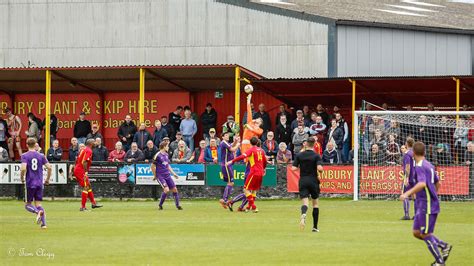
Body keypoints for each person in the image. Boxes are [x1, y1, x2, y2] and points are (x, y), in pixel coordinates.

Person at [399, 142, 452, 265]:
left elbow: (422, 184)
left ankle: (439, 262)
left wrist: (406, 194)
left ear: (413, 153)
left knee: (426, 234)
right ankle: (444, 246)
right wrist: (433, 195)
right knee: (416, 232)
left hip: (427, 205)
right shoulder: (429, 165)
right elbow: (438, 183)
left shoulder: (420, 166)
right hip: (423, 204)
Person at [226, 137, 267, 212]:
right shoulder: (262, 151)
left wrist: (232, 161)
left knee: (246, 190)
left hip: (253, 173)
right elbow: (265, 161)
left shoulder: (251, 150)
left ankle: (252, 207)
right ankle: (247, 207)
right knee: (253, 190)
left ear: (250, 143)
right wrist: (264, 169)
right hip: (260, 173)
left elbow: (242, 156)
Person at [292, 137, 323, 232]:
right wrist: (320, 171)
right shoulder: (316, 156)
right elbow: (320, 168)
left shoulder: (299, 155)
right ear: (314, 144)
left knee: (305, 202)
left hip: (303, 180)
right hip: (313, 180)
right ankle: (315, 227)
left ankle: (304, 214)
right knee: (315, 204)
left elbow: (293, 168)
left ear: (306, 144)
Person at [20, 138, 52, 229]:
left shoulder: (24, 155)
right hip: (39, 182)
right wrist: (47, 179)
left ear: (26, 145)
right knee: (38, 204)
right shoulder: (41, 155)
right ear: (35, 145)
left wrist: (22, 178)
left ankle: (37, 212)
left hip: (30, 182)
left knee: (28, 205)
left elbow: (23, 168)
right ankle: (44, 224)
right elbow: (49, 167)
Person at [72, 138, 102, 211]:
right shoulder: (89, 150)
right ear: (90, 143)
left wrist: (74, 171)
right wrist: (85, 172)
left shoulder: (84, 149)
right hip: (81, 170)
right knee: (86, 187)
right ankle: (83, 207)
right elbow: (84, 162)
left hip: (78, 169)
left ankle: (93, 203)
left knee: (88, 185)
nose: (95, 143)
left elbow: (77, 160)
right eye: (94, 142)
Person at [151, 142, 182, 210]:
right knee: (166, 189)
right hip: (160, 176)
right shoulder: (157, 155)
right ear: (164, 146)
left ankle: (178, 206)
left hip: (167, 175)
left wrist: (174, 174)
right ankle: (160, 205)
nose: (168, 147)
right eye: (167, 146)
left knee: (174, 189)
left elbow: (167, 165)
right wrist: (155, 175)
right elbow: (152, 166)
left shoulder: (166, 155)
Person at [218, 132, 240, 209]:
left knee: (230, 182)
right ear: (223, 137)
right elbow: (232, 149)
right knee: (231, 182)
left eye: (228, 135)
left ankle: (224, 200)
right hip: (226, 165)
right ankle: (224, 199)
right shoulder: (223, 142)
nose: (228, 136)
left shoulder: (226, 143)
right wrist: (238, 145)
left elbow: (231, 146)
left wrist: (236, 141)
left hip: (227, 165)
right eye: (226, 135)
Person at [400, 137, 415, 220]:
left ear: (407, 144)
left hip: (410, 177)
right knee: (414, 195)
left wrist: (406, 178)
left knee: (405, 194)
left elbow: (408, 167)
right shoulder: (415, 153)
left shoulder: (407, 154)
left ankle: (406, 215)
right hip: (417, 176)